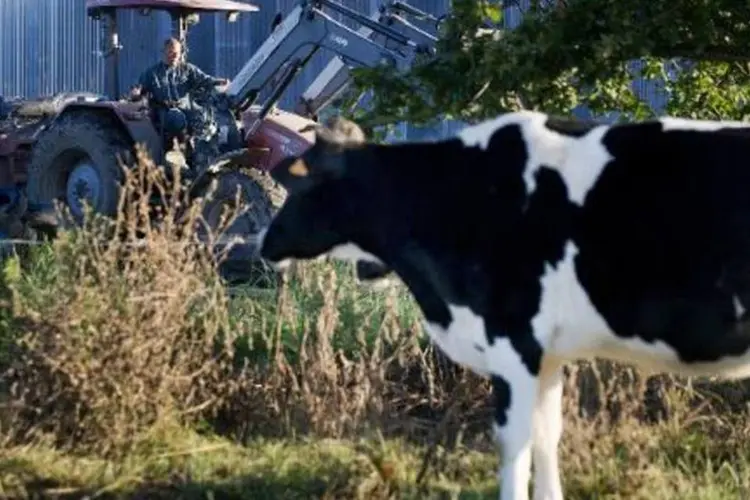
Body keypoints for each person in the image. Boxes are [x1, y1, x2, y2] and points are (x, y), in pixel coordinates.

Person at [130, 37, 230, 177]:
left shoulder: (187, 69)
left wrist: (219, 82)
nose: (174, 56)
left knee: (205, 119)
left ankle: (207, 156)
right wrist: (136, 93)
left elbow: (204, 79)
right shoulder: (152, 73)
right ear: (163, 52)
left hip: (187, 108)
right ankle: (185, 155)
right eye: (171, 53)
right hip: (166, 111)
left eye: (177, 53)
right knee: (177, 118)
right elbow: (139, 89)